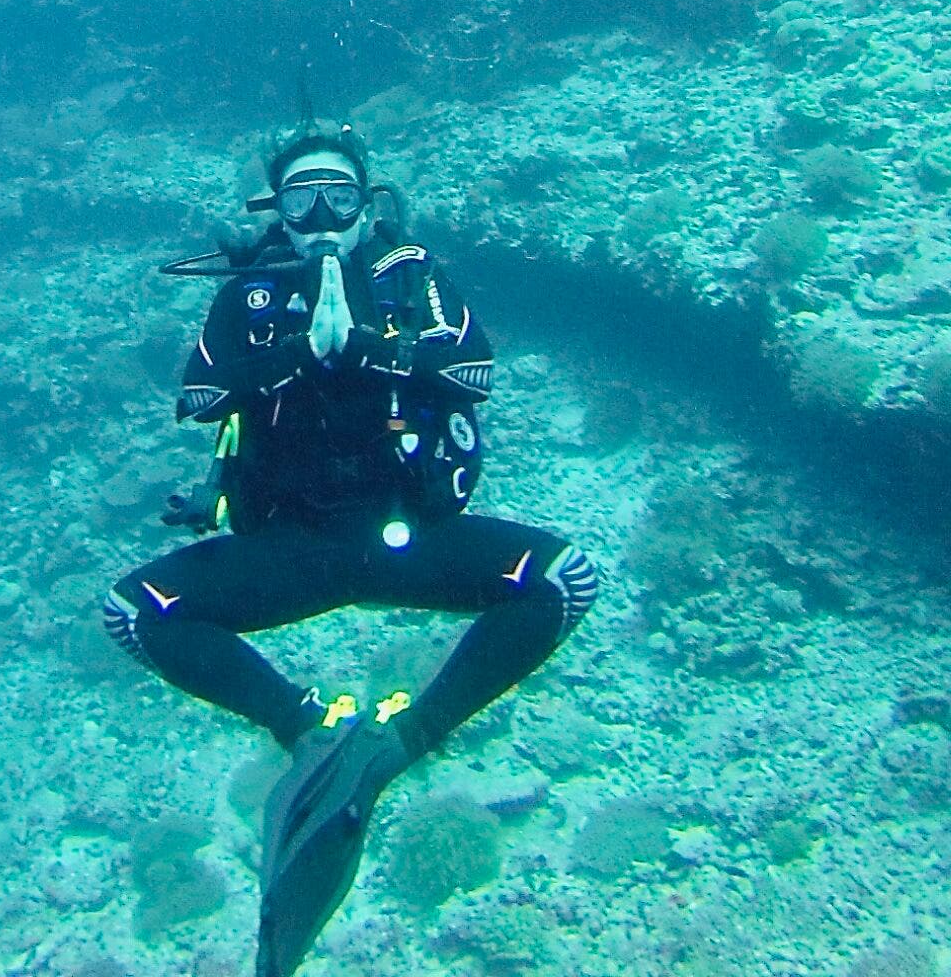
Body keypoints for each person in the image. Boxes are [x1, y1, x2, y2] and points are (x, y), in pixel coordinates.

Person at [103, 122, 599, 977]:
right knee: (130, 612)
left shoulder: (412, 277)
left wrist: (365, 345)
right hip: (293, 548)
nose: (324, 215)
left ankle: (399, 743)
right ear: (280, 214)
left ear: (369, 206)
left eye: (342, 196)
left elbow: (475, 371)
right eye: (303, 200)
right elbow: (197, 394)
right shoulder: (251, 293)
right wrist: (301, 352)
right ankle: (308, 730)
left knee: (567, 581)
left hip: (405, 536)